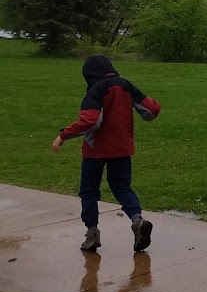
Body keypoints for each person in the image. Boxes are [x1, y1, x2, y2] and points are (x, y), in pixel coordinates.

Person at [51, 55, 162, 253]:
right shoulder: (125, 85)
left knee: (89, 191)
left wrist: (63, 136)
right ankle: (138, 221)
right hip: (122, 148)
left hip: (95, 151)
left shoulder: (96, 89)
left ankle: (92, 234)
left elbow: (91, 121)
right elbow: (151, 110)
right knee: (122, 188)